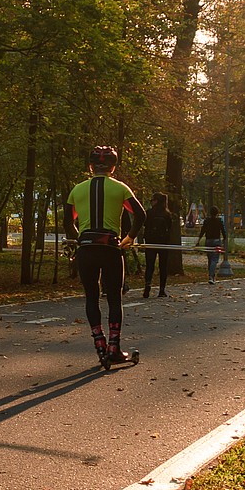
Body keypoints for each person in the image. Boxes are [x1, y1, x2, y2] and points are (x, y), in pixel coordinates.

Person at [65, 146, 145, 365]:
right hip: (110, 248)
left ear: (90, 167)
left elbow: (68, 222)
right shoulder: (120, 188)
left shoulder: (77, 190)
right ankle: (114, 347)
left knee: (91, 296)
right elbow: (139, 214)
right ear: (113, 167)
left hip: (86, 249)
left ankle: (99, 345)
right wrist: (129, 237)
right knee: (114, 298)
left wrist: (80, 238)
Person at [142, 193, 179, 298]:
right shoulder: (167, 214)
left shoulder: (149, 213)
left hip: (150, 242)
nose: (151, 202)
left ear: (156, 201)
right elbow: (170, 227)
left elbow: (145, 224)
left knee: (150, 265)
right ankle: (162, 289)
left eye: (152, 200)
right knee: (163, 266)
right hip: (163, 243)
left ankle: (147, 285)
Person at [199, 206, 226, 283]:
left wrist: (199, 239)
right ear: (217, 213)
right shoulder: (219, 221)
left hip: (208, 241)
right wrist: (224, 238)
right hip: (216, 241)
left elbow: (202, 230)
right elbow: (223, 231)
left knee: (210, 259)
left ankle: (211, 275)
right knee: (215, 259)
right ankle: (211, 276)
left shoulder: (207, 221)